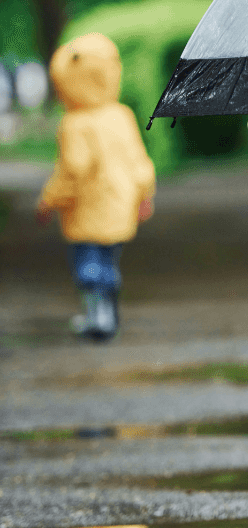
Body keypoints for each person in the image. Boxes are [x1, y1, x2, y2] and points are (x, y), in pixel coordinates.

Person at [36, 33, 155, 341]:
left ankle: (97, 315)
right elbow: (138, 161)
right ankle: (108, 312)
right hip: (119, 209)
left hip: (86, 211)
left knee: (88, 265)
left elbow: (73, 170)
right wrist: (145, 194)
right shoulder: (121, 116)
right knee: (109, 260)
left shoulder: (74, 124)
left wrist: (49, 201)